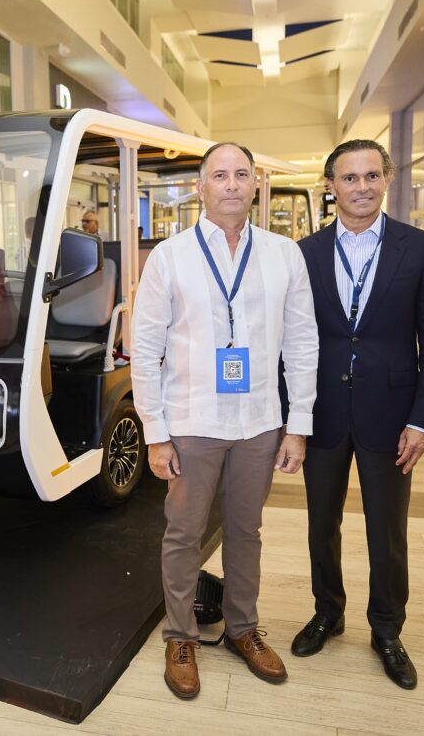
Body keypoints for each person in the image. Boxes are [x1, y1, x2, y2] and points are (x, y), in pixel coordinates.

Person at [132, 142, 318, 700]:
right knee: (184, 533)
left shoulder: (284, 254)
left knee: (246, 531)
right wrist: (155, 433)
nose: (231, 184)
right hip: (191, 420)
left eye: (241, 174)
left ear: (256, 185)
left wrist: (298, 424)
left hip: (259, 420)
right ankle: (180, 636)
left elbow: (301, 343)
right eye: (220, 175)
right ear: (201, 187)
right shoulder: (170, 257)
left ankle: (242, 628)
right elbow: (145, 349)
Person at [291, 139, 424, 691]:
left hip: (392, 415)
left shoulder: (422, 249)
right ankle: (327, 612)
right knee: (321, 523)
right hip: (323, 411)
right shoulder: (305, 252)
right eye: (348, 177)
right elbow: (293, 340)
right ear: (330, 186)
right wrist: (291, 417)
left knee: (387, 529)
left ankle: (386, 629)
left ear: (387, 178)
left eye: (370, 176)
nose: (360, 187)